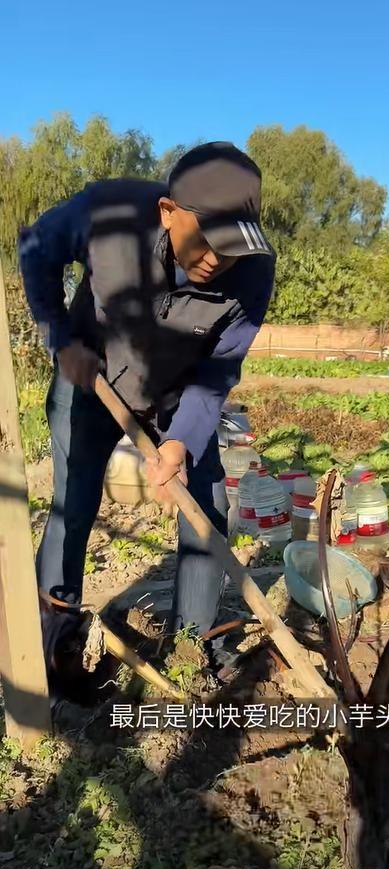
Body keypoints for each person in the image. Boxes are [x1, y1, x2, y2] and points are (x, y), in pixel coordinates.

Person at [19, 141, 275, 654]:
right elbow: (36, 249)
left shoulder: (253, 272)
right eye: (208, 240)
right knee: (74, 497)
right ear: (168, 211)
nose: (217, 260)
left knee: (206, 501)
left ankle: (192, 647)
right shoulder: (108, 214)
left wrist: (180, 441)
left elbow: (219, 367)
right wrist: (60, 338)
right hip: (90, 374)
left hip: (178, 392)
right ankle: (52, 633)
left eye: (232, 246)